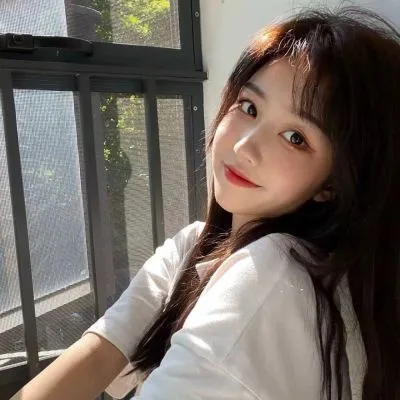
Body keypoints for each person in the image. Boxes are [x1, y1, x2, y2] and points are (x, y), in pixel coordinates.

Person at [13, 6, 400, 400]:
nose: (245, 145)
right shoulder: (195, 246)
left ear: (333, 184)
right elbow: (98, 354)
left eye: (295, 137)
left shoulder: (270, 276)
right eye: (249, 107)